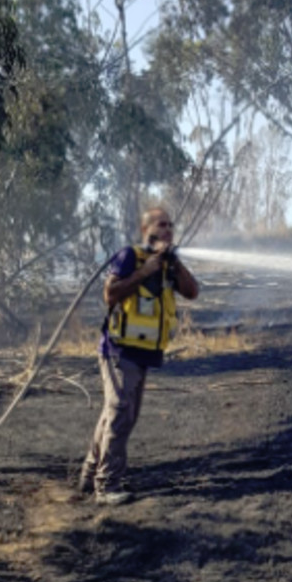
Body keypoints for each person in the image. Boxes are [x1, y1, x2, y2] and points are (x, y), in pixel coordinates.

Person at [79, 206, 199, 504]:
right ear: (147, 230)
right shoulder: (129, 256)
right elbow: (110, 294)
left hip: (145, 351)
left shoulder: (170, 264)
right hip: (119, 349)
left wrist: (175, 263)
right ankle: (106, 486)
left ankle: (89, 473)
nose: (168, 230)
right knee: (119, 409)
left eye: (171, 225)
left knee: (122, 415)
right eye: (162, 225)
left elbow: (191, 291)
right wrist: (145, 271)